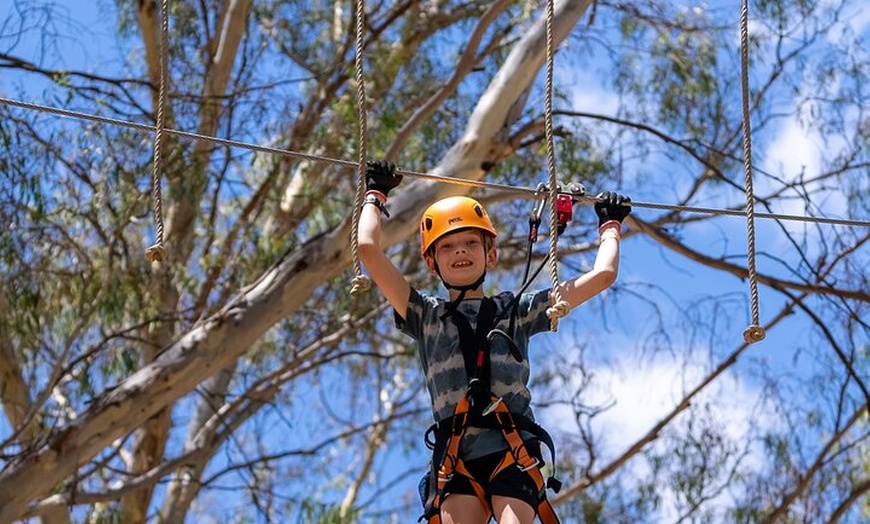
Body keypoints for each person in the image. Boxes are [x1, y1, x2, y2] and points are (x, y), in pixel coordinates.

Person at [356, 160, 631, 524]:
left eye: (471, 242)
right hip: (456, 459)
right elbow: (368, 250)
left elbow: (602, 276)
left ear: (491, 255)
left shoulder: (515, 310)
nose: (460, 251)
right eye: (448, 246)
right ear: (431, 263)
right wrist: (375, 194)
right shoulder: (424, 314)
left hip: (512, 449)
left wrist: (610, 225)